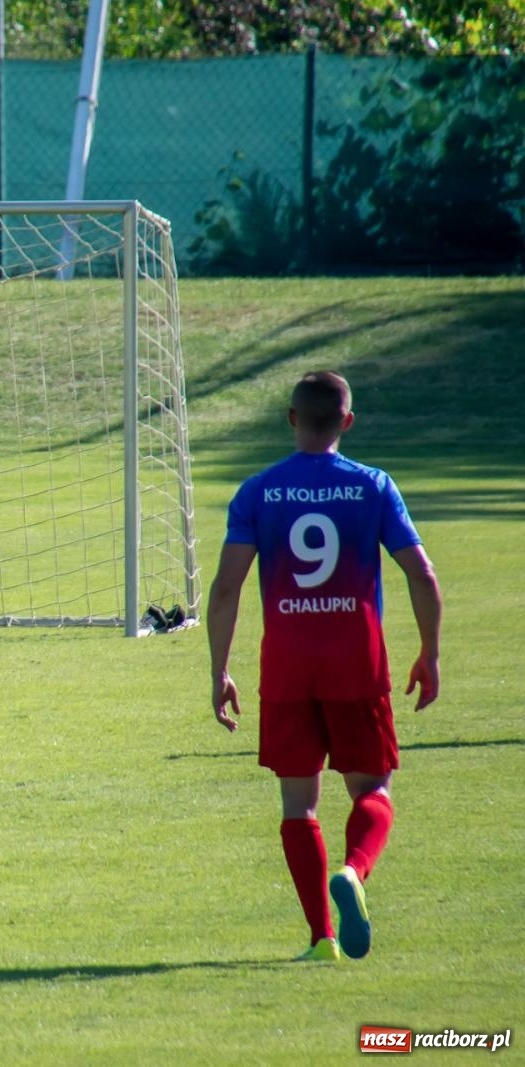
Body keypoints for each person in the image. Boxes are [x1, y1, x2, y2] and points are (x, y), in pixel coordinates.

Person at [206, 371, 442, 962]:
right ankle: (355, 871)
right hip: (355, 664)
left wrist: (220, 671)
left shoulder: (258, 491)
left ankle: (321, 939)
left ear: (291, 419)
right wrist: (429, 653)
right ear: (348, 422)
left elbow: (226, 589)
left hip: (286, 666)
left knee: (297, 803)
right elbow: (423, 575)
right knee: (373, 786)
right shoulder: (373, 486)